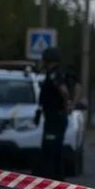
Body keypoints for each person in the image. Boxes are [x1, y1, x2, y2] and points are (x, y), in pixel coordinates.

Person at [35, 47, 71, 181]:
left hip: (55, 117)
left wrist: (66, 106)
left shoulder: (54, 74)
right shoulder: (53, 73)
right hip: (53, 116)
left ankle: (51, 180)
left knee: (51, 149)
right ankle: (54, 179)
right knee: (53, 148)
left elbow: (64, 91)